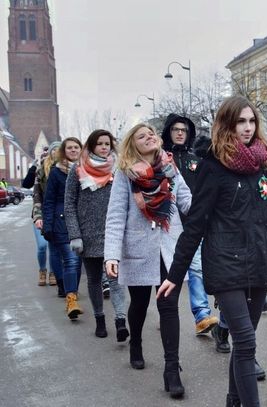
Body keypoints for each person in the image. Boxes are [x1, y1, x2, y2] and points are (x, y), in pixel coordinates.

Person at [157, 95, 267, 407]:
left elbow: (266, 212)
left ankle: (233, 400)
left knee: (245, 346)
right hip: (226, 263)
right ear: (227, 124)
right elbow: (196, 223)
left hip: (261, 262)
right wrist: (175, 273)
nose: (247, 128)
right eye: (240, 122)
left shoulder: (261, 166)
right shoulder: (212, 167)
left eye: (251, 122)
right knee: (246, 341)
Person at [104, 123, 191, 398]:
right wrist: (111, 255)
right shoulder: (125, 174)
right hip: (138, 249)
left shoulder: (170, 167)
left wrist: (209, 209)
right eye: (142, 136)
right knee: (139, 305)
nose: (150, 137)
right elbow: (116, 216)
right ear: (133, 145)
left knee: (168, 306)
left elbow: (186, 201)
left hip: (168, 248)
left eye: (151, 133)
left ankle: (171, 369)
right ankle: (136, 343)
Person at [64, 129, 129, 340]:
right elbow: (69, 204)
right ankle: (99, 318)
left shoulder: (119, 168)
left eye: (107, 144)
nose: (104, 147)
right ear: (91, 146)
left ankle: (120, 321)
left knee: (115, 280)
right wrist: (75, 235)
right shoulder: (77, 169)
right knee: (93, 280)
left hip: (112, 233)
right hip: (87, 234)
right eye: (99, 143)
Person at [160, 113, 219, 335]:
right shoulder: (162, 159)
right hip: (169, 223)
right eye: (175, 129)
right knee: (167, 270)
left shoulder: (197, 159)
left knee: (197, 268)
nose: (179, 133)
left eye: (183, 130)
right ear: (168, 132)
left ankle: (202, 314)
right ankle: (166, 309)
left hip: (195, 221)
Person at [42, 137, 83, 319]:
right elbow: (49, 200)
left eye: (76, 147)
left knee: (79, 261)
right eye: (70, 148)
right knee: (71, 260)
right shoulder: (56, 172)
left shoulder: (88, 169)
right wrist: (48, 224)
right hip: (62, 221)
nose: (73, 150)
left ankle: (71, 291)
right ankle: (71, 299)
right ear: (64, 151)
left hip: (84, 221)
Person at [25, 145, 55, 287]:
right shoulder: (39, 171)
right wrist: (34, 165)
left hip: (56, 214)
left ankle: (53, 272)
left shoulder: (62, 170)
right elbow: (27, 185)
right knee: (42, 246)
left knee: (54, 247)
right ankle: (42, 270)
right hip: (40, 213)